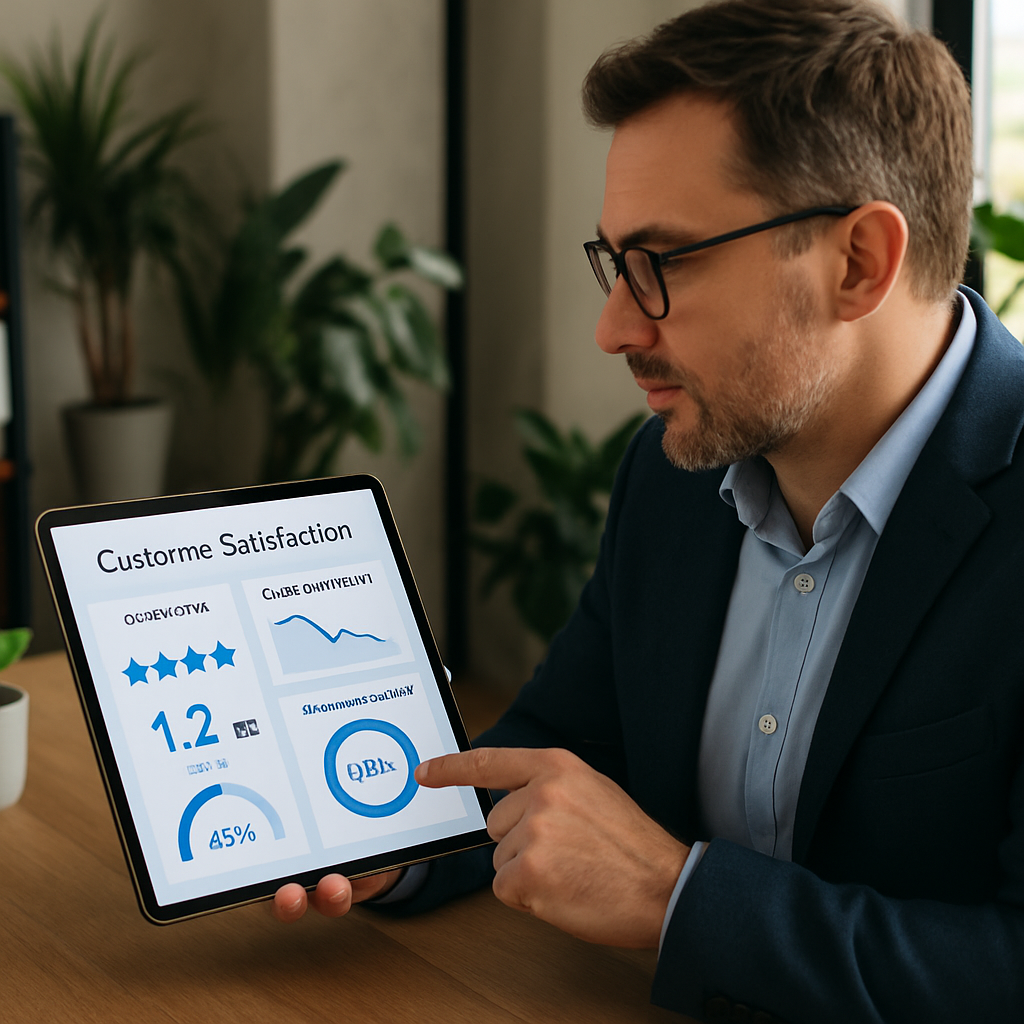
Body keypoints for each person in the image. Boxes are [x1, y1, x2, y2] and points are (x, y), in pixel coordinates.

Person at [273, 1, 1024, 1020]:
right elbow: (566, 743)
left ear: (858, 262)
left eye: (663, 265)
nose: (612, 326)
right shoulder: (672, 473)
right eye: (614, 262)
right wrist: (394, 846)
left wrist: (671, 895)